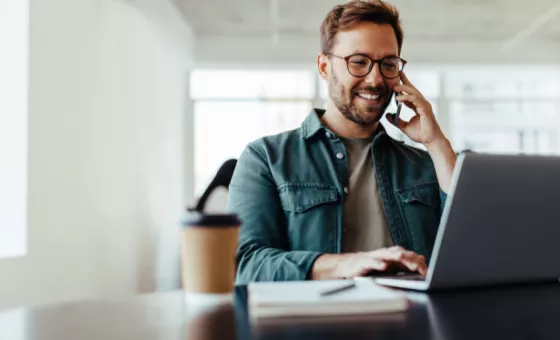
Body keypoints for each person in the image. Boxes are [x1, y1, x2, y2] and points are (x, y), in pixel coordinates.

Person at [228, 0, 457, 283]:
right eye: (359, 62)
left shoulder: (424, 164)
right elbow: (244, 265)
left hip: (412, 323)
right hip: (316, 324)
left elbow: (472, 249)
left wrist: (436, 142)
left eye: (388, 64)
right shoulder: (265, 158)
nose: (375, 79)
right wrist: (346, 264)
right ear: (324, 66)